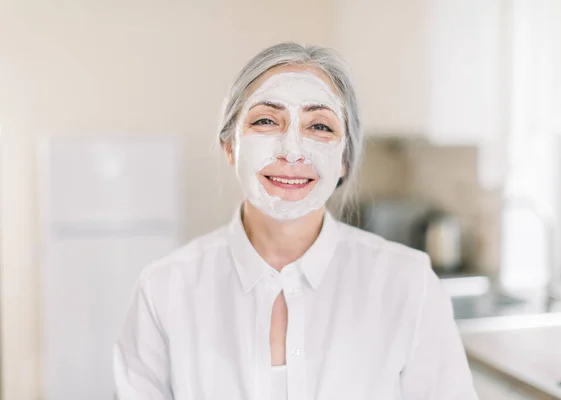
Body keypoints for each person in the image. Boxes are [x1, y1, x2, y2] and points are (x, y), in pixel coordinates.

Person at [113, 42, 479, 400]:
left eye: (319, 127)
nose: (292, 150)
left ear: (343, 159)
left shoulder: (410, 286)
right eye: (267, 120)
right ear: (230, 145)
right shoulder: (163, 290)